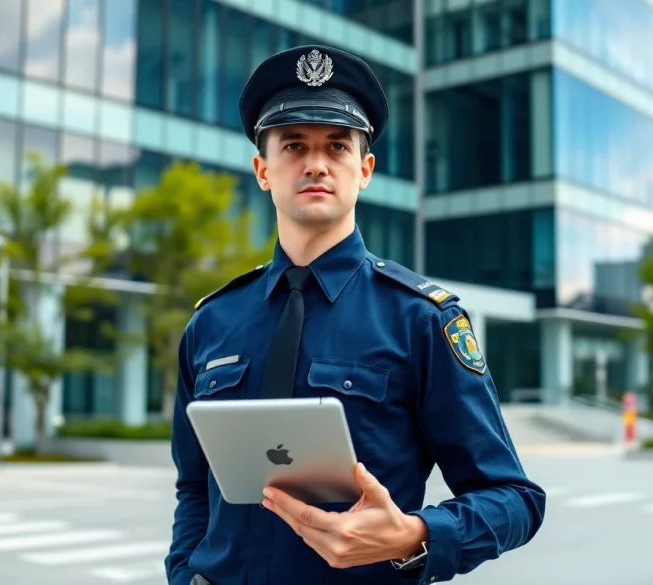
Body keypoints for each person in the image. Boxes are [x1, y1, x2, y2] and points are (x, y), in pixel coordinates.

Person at [164, 44, 546, 585]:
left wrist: (416, 536)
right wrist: (184, 575)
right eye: (293, 144)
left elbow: (514, 498)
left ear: (364, 170)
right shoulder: (212, 323)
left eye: (337, 146)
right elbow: (194, 485)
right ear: (262, 170)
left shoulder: (421, 319)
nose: (316, 163)